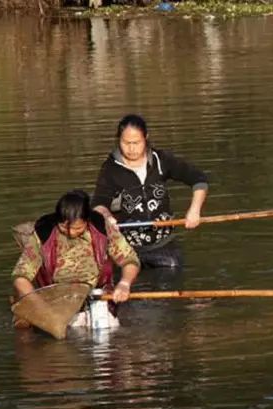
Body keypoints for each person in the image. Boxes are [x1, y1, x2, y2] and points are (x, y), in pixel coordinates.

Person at [91, 114, 209, 268]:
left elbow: (198, 179)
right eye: (126, 143)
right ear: (118, 140)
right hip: (127, 246)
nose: (131, 149)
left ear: (146, 138)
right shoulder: (110, 169)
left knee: (171, 269)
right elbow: (99, 202)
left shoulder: (161, 160)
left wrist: (194, 210)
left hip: (163, 243)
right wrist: (106, 216)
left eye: (137, 143)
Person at [12, 190, 141, 327]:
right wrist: (40, 307)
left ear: (87, 221)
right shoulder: (43, 233)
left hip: (98, 295)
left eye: (77, 228)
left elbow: (130, 260)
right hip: (57, 300)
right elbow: (20, 277)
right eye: (63, 227)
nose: (70, 233)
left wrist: (125, 284)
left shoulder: (101, 227)